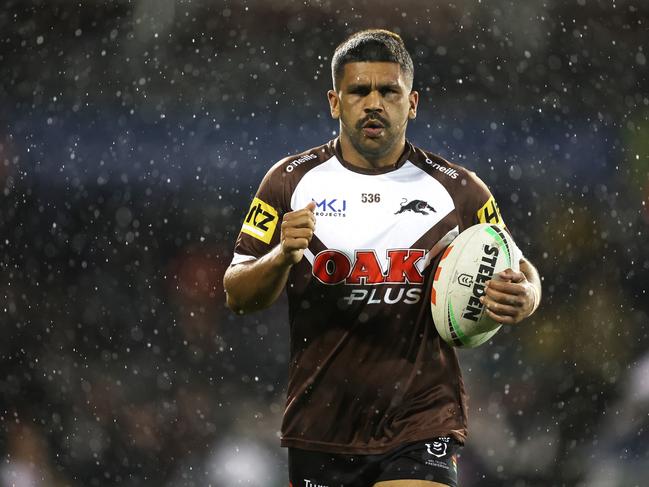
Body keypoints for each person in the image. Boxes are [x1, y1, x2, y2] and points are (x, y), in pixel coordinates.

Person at [223, 29, 541, 487]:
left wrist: (526, 293)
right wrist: (281, 256)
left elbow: (519, 262)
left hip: (421, 419)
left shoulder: (457, 189)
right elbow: (237, 293)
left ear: (412, 102)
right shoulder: (289, 184)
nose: (374, 102)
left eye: (389, 91)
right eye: (359, 91)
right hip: (322, 424)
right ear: (335, 102)